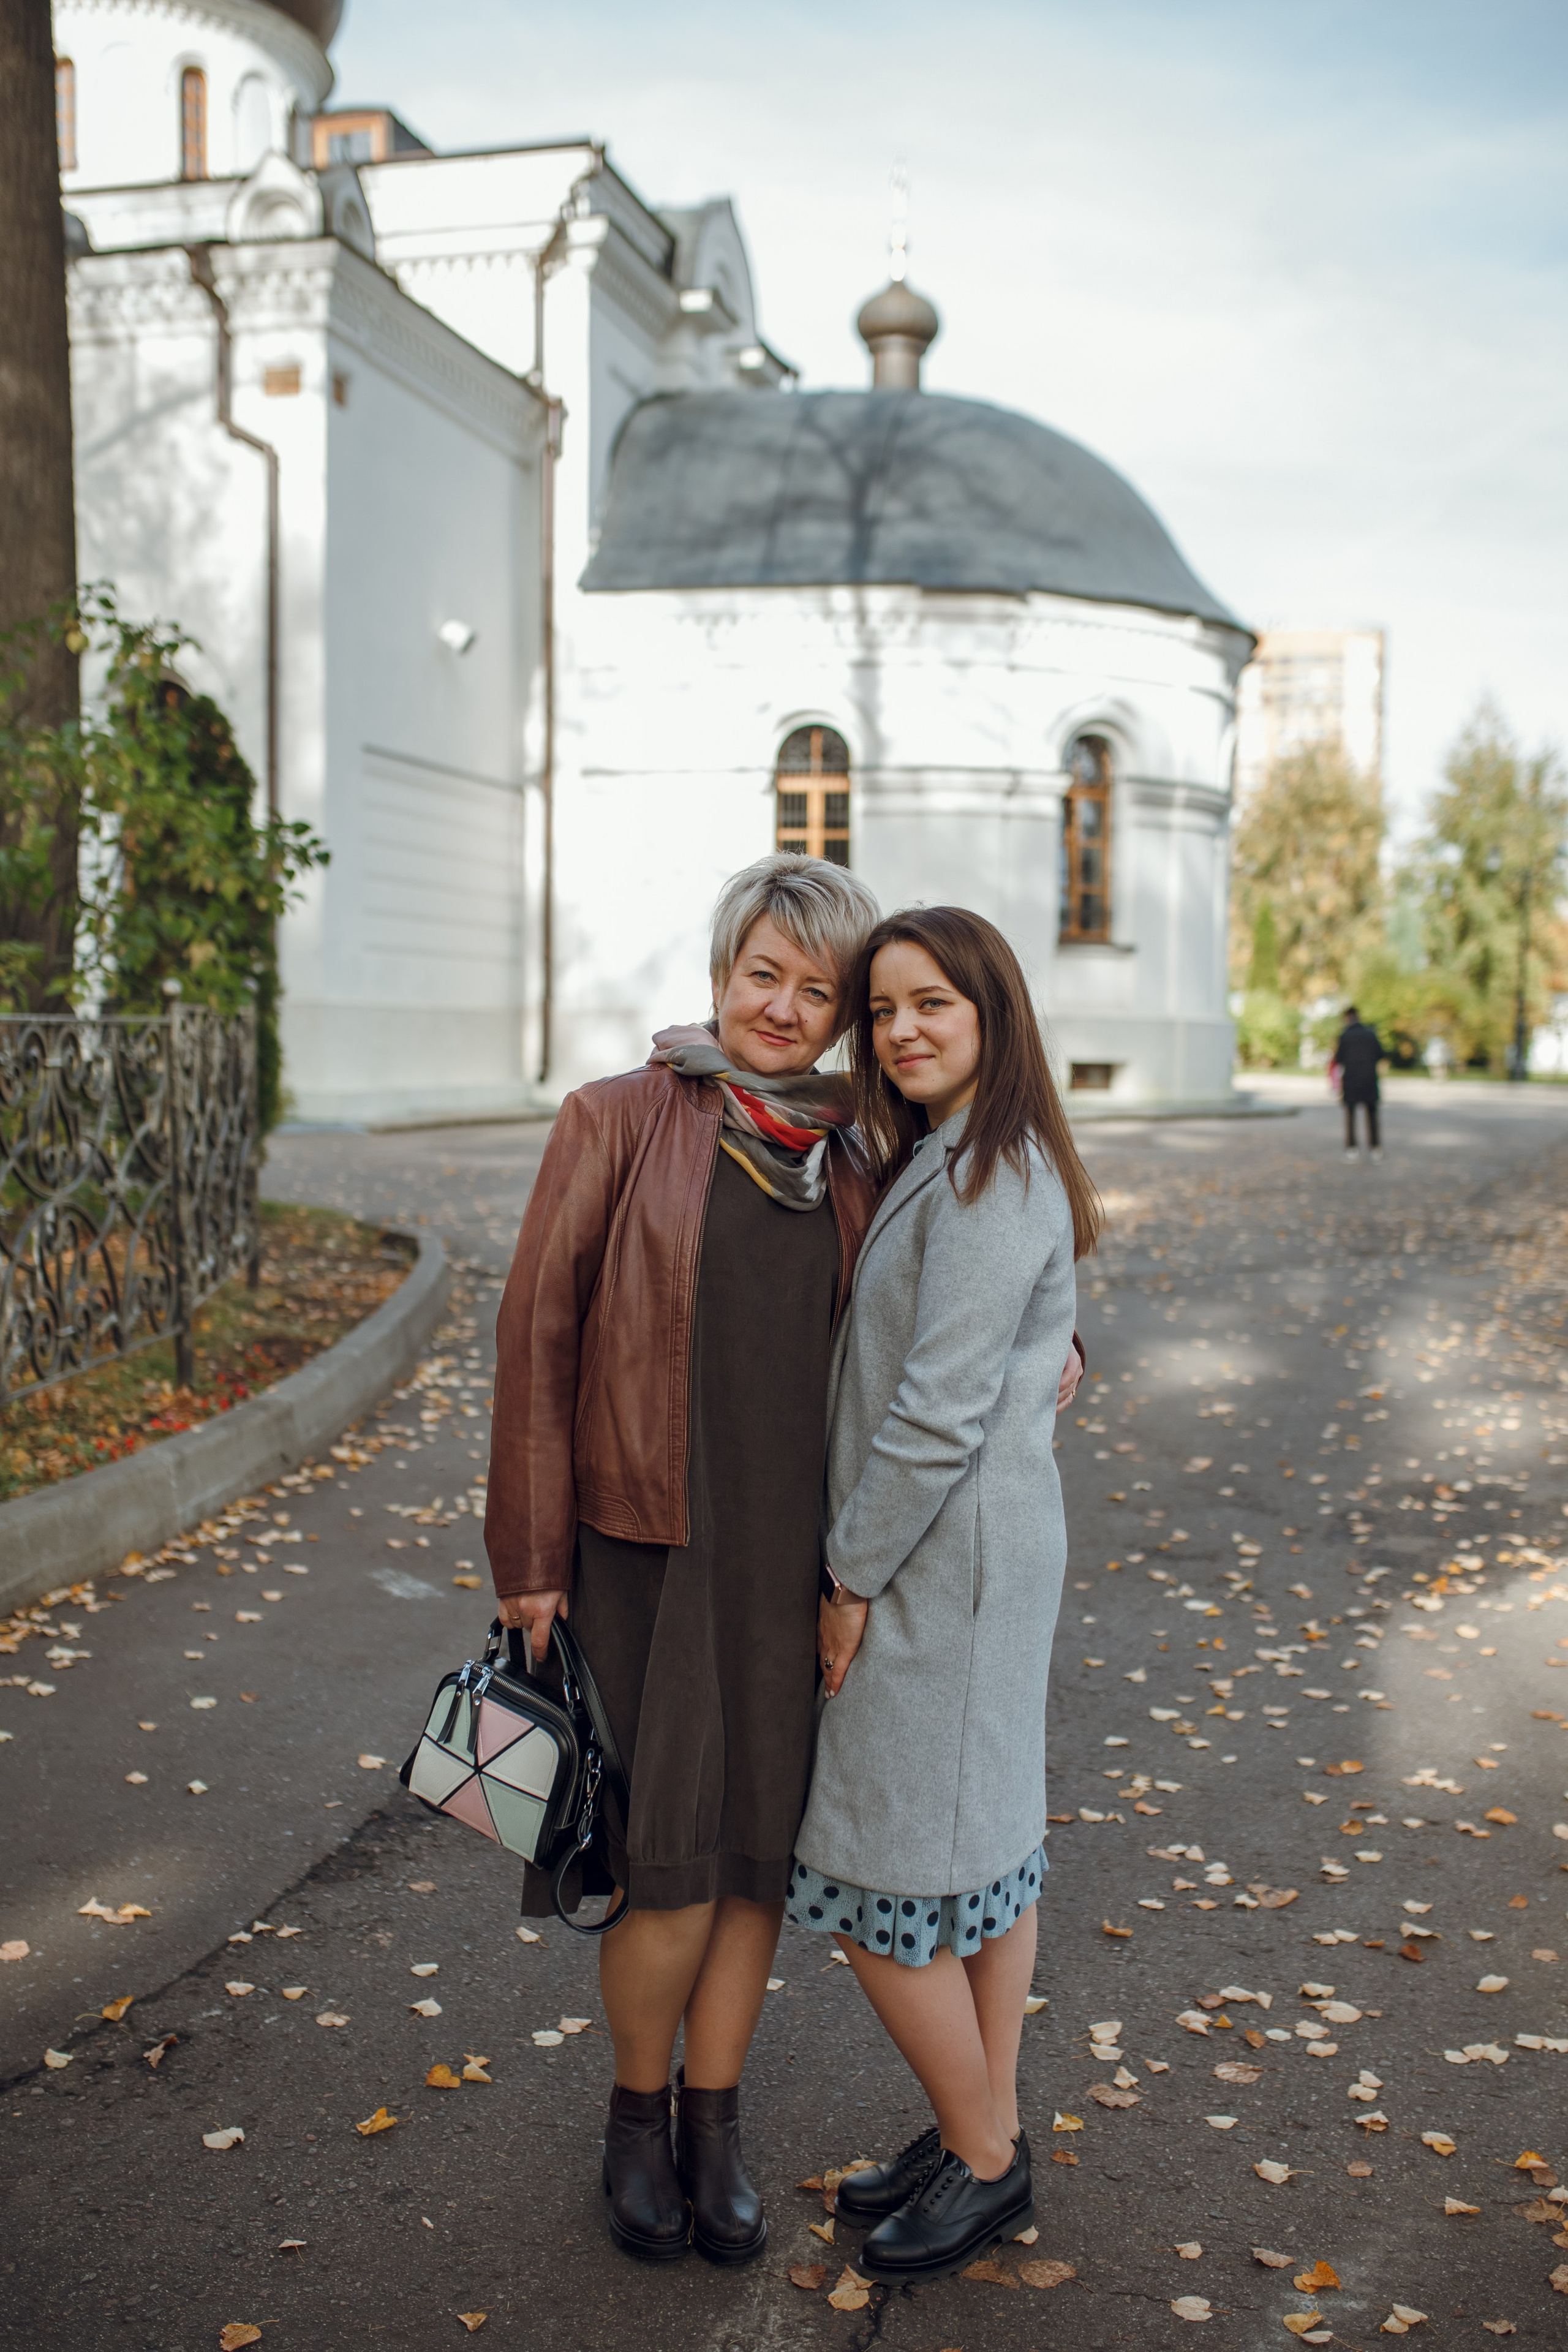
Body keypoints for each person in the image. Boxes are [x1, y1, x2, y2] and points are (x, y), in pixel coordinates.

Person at [483, 853, 881, 2266]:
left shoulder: (855, 1153)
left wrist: (1058, 1343)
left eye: (814, 986)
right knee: (666, 1867)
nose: (781, 1003)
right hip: (646, 1550)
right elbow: (534, 1334)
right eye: (761, 971)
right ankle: (631, 2116)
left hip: (792, 1563)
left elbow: (931, 1309)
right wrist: (529, 1557)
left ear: (840, 1013)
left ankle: (715, 2123)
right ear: (722, 971)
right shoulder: (615, 1120)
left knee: (753, 1862)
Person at [784, 905, 1099, 2286]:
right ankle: (981, 2123)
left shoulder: (987, 1173)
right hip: (972, 1554)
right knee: (976, 1852)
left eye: (934, 1008)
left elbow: (933, 1412)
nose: (902, 1030)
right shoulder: (960, 1151)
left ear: (991, 1018)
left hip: (934, 1566)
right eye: (886, 1010)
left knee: (869, 1874)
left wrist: (847, 1580)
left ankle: (983, 2159)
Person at [1335, 1004, 1385, 1159]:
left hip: (1351, 1080)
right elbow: (1380, 1055)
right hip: (1369, 1079)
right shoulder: (1371, 1034)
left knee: (1350, 1115)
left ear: (1347, 1018)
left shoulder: (1344, 1035)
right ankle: (1375, 1148)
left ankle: (1352, 1148)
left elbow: (1339, 1059)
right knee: (1372, 1115)